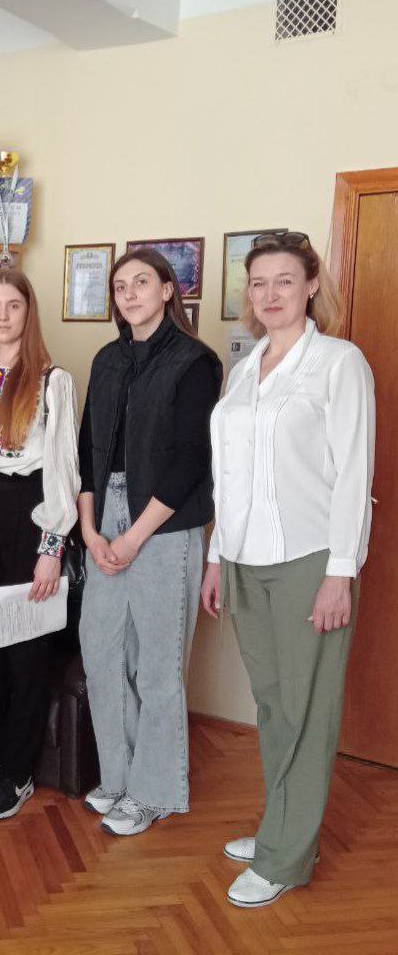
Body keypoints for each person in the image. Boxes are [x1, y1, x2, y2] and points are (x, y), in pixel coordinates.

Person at [201, 232, 374, 908]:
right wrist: (216, 557)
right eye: (258, 283)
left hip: (308, 560)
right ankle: (285, 827)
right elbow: (228, 476)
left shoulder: (338, 363)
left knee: (307, 712)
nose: (269, 294)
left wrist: (340, 573)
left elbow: (354, 473)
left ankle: (285, 858)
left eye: (283, 281)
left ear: (310, 286)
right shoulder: (246, 368)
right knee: (273, 707)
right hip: (244, 560)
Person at [77, 248, 222, 837]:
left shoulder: (195, 361)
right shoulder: (107, 359)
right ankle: (119, 778)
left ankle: (155, 792)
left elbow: (191, 459)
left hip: (164, 522)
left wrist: (134, 536)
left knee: (158, 666)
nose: (130, 293)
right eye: (120, 286)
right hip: (104, 515)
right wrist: (90, 530)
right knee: (101, 653)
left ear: (167, 290)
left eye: (142, 282)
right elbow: (87, 449)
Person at [0, 269, 80, 821]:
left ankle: (18, 771)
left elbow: (63, 470)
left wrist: (51, 547)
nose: (2, 316)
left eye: (13, 306)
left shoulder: (52, 382)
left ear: (28, 313)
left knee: (25, 651)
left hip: (29, 515)